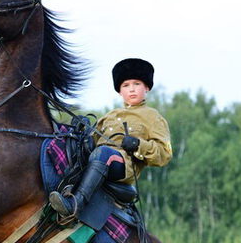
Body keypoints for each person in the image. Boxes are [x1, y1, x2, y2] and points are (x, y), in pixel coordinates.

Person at [49, 58, 173, 218]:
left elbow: (164, 154)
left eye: (137, 84)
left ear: (147, 87)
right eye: (126, 85)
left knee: (103, 154)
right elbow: (90, 143)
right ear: (120, 91)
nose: (132, 89)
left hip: (123, 166)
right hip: (98, 158)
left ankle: (75, 204)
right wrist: (79, 130)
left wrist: (137, 145)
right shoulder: (109, 116)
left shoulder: (153, 117)